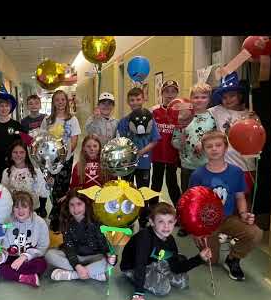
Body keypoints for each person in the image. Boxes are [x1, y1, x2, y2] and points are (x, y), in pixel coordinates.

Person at [189, 131, 263, 281]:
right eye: (209, 146)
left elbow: (240, 196)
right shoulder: (197, 175)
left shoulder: (236, 172)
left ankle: (233, 259)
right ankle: (214, 240)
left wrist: (243, 214)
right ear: (203, 150)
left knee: (255, 232)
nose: (214, 149)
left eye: (218, 145)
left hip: (228, 219)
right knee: (212, 260)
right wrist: (195, 230)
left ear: (226, 147)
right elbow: (191, 205)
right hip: (207, 223)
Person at [120, 202, 212, 300]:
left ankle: (158, 271)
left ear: (175, 222)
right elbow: (140, 264)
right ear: (152, 222)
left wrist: (199, 258)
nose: (166, 226)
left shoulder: (170, 240)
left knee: (183, 281)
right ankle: (141, 277)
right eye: (161, 222)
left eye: (170, 222)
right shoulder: (144, 237)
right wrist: (138, 294)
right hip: (134, 267)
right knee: (164, 288)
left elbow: (176, 267)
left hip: (154, 260)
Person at [172, 83, 216, 236]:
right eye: (196, 97)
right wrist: (181, 141)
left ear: (209, 99)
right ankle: (186, 223)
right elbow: (175, 142)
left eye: (203, 97)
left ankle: (202, 221)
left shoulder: (212, 118)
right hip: (187, 164)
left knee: (205, 195)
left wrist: (204, 143)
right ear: (190, 99)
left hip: (206, 165)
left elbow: (217, 139)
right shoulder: (184, 116)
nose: (199, 100)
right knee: (187, 195)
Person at [0, 191, 49, 287]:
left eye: (24, 207)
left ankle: (1, 271)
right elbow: (0, 244)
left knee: (42, 264)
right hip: (10, 257)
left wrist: (24, 256)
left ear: (31, 208)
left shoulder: (40, 223)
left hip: (29, 259)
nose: (20, 211)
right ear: (12, 208)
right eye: (17, 207)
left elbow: (42, 247)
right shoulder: (7, 222)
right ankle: (24, 277)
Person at [45, 189, 116, 282]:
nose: (75, 209)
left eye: (79, 204)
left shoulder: (96, 222)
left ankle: (73, 275)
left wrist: (110, 257)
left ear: (86, 205)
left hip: (94, 258)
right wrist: (77, 266)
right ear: (68, 206)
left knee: (109, 263)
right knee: (49, 254)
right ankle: (92, 273)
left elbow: (105, 247)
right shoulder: (67, 223)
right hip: (75, 258)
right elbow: (69, 249)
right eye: (72, 205)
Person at [117, 87, 160, 227]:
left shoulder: (150, 119)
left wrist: (141, 152)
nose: (135, 102)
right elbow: (121, 142)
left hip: (144, 163)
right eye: (132, 100)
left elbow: (155, 140)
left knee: (142, 191)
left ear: (143, 99)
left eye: (138, 99)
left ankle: (143, 218)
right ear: (128, 102)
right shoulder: (124, 121)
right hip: (127, 163)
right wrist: (130, 153)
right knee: (126, 190)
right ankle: (127, 218)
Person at [208, 72, 256, 196]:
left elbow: (257, 137)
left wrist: (255, 120)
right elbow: (199, 110)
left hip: (246, 166)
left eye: (232, 96)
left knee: (245, 199)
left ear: (239, 96)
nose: (228, 100)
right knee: (226, 199)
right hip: (225, 166)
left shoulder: (248, 114)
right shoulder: (217, 111)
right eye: (224, 97)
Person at [40, 90, 81, 232]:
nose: (60, 102)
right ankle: (57, 215)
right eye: (57, 100)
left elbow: (74, 140)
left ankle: (57, 218)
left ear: (67, 101)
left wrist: (64, 157)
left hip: (66, 160)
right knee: (52, 188)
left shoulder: (72, 120)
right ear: (53, 102)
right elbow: (42, 139)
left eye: (63, 99)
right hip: (50, 160)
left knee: (62, 189)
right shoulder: (47, 120)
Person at [150, 80, 182, 207]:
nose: (170, 95)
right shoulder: (154, 111)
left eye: (173, 91)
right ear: (161, 93)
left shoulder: (181, 112)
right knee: (155, 184)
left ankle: (180, 211)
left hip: (172, 155)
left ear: (177, 94)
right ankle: (152, 211)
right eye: (167, 91)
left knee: (172, 184)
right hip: (157, 155)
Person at [1, 140, 49, 217]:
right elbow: (4, 195)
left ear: (27, 154)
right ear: (11, 154)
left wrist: (48, 184)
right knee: (9, 227)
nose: (18, 155)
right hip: (15, 213)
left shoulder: (35, 170)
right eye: (15, 152)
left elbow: (43, 192)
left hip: (33, 212)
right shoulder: (6, 172)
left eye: (21, 152)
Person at [20, 94, 48, 217]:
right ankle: (36, 205)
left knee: (45, 178)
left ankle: (43, 206)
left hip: (44, 151)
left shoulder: (45, 118)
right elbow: (23, 137)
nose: (33, 106)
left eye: (36, 103)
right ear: (27, 106)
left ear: (40, 104)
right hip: (31, 152)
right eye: (30, 103)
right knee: (36, 177)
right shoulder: (24, 121)